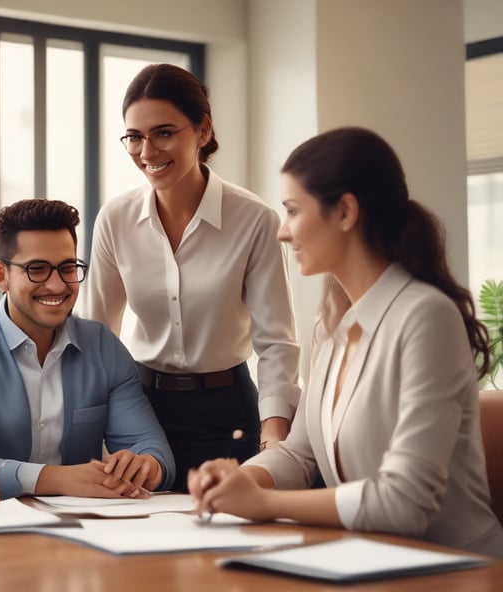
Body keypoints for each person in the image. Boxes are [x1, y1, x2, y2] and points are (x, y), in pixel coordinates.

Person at [188, 127, 503, 558]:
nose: (283, 232)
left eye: (293, 211)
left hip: (458, 570)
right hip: (368, 562)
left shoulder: (426, 317)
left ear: (344, 212)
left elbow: (405, 501)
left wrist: (263, 504)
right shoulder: (332, 325)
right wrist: (244, 480)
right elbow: (300, 455)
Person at [81, 63, 301, 491]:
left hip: (227, 410)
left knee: (223, 536)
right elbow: (96, 335)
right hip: (140, 411)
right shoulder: (115, 219)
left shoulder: (254, 220)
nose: (147, 152)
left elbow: (276, 342)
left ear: (203, 131)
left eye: (163, 132)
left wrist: (275, 436)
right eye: (135, 137)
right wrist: (90, 426)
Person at [0, 198, 175, 500]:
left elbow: (153, 450)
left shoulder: (103, 347)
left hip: (86, 526)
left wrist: (145, 466)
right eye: (37, 269)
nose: (56, 285)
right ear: (2, 275)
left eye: (67, 268)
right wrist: (55, 480)